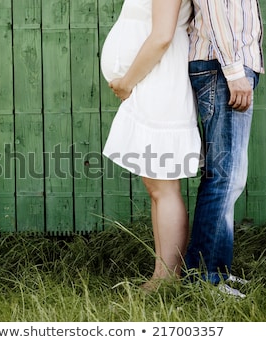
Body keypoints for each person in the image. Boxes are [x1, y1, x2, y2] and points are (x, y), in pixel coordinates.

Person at [100, 0, 201, 291]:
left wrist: (127, 81)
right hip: (154, 80)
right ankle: (162, 273)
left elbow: (161, 37)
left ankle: (168, 278)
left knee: (164, 187)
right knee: (157, 187)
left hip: (160, 79)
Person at [184, 0, 264, 295]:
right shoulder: (228, 71)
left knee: (230, 178)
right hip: (222, 68)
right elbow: (215, 10)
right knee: (224, 177)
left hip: (226, 67)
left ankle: (217, 271)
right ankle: (203, 279)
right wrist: (233, 71)